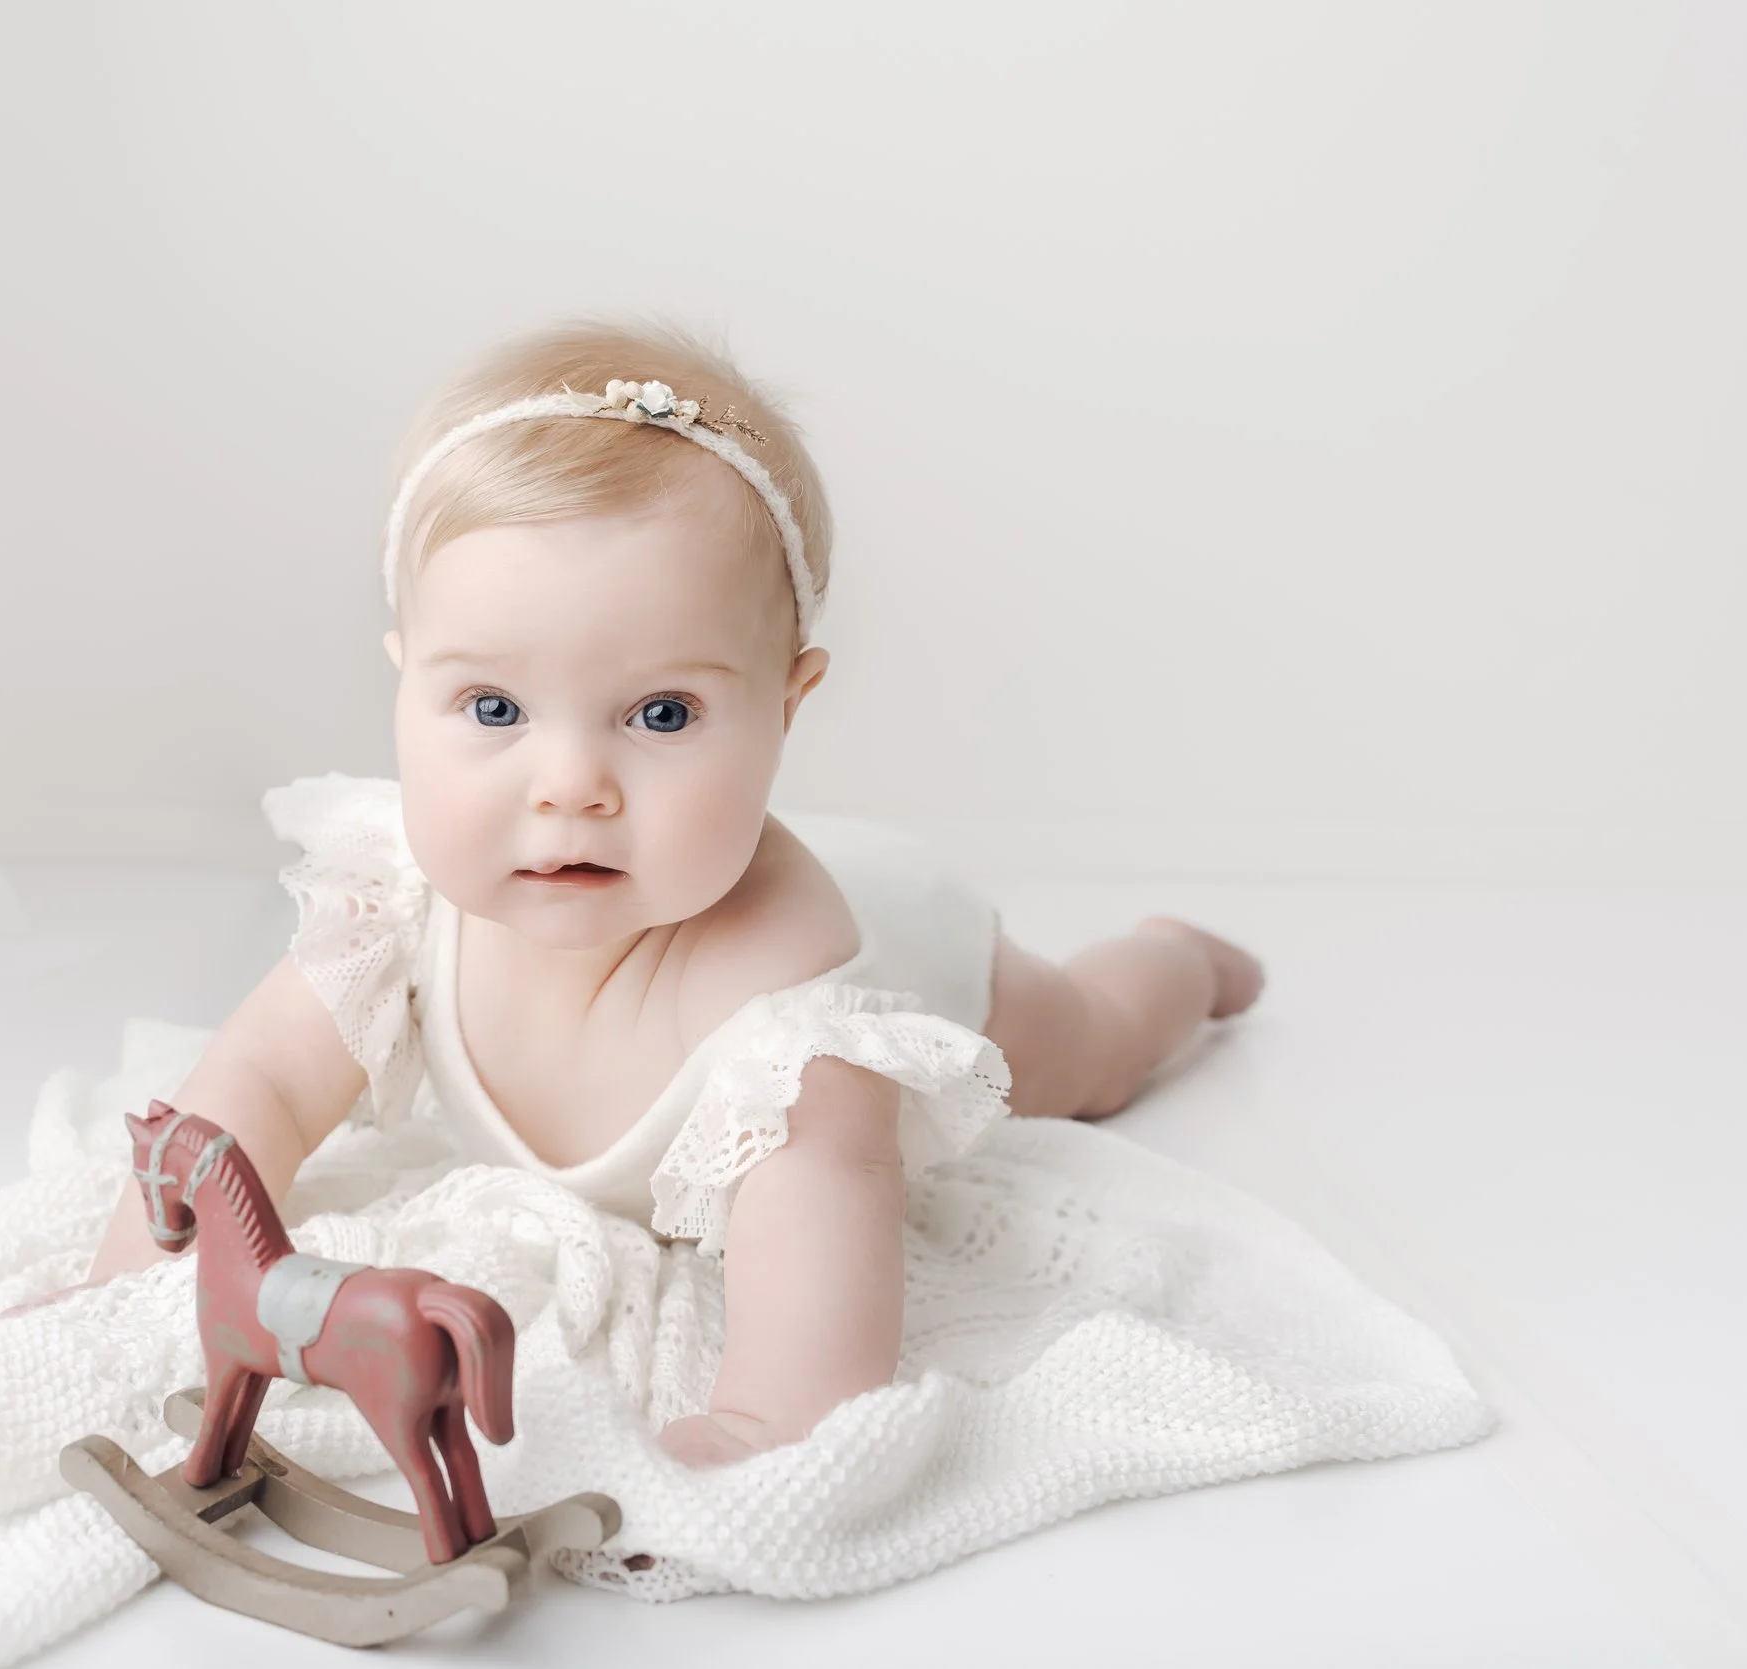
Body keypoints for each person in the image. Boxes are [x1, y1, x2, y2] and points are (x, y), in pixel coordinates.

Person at [80, 321, 1264, 1467]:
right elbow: (262, 1087)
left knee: (1091, 1055)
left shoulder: (791, 1002)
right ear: (406, 681)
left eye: (661, 716)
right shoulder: (397, 895)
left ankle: (1175, 959)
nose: (571, 787)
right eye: (493, 708)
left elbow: (824, 1210)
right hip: (743, 864)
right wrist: (127, 1283)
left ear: (785, 706)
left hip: (920, 941)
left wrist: (766, 1424)